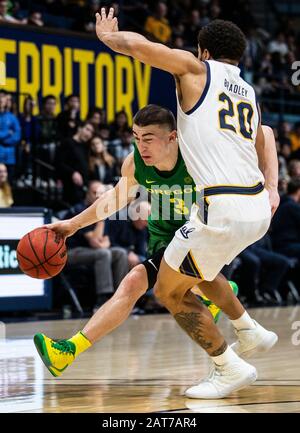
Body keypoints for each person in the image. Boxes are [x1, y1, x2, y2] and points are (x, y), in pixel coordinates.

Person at [94, 10, 280, 399]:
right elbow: (266, 135)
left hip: (222, 207)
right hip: (257, 208)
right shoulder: (247, 91)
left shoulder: (196, 70)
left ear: (203, 50)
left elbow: (144, 48)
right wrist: (274, 187)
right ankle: (249, 331)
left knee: (168, 291)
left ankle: (227, 367)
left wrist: (109, 37)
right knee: (198, 270)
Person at [34, 105, 273, 389]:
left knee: (137, 281)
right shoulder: (135, 164)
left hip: (200, 234)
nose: (141, 145)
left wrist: (272, 186)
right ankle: (216, 294)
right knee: (149, 282)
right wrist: (71, 226)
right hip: (165, 238)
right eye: (136, 137)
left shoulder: (196, 153)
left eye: (148, 138)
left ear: (173, 137)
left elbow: (266, 133)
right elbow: (114, 200)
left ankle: (69, 350)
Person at [65, 181, 129, 308]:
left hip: (92, 250)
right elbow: (94, 241)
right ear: (87, 194)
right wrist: (101, 216)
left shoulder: (105, 211)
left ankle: (121, 297)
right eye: (94, 193)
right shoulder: (79, 210)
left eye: (101, 193)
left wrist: (103, 213)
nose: (98, 196)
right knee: (103, 253)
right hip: (71, 251)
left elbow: (106, 241)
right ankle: (103, 299)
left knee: (120, 253)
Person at [57, 121, 95, 205]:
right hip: (70, 186)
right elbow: (59, 163)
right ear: (79, 128)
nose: (89, 134)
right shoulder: (67, 143)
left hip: (83, 187)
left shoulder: (85, 147)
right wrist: (73, 173)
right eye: (87, 129)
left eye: (91, 132)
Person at [0, 90, 21, 180]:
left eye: (2, 97)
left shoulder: (12, 117)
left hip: (9, 157)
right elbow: (11, 133)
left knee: (9, 184)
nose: (1, 100)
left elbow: (17, 135)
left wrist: (3, 140)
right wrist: (8, 133)